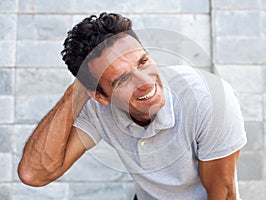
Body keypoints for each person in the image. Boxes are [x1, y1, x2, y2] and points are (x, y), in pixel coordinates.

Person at [18, 12, 247, 200]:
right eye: (122, 79)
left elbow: (223, 195)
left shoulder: (210, 99)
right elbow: (33, 174)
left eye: (143, 62)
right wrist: (76, 91)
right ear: (100, 96)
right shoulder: (97, 108)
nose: (145, 82)